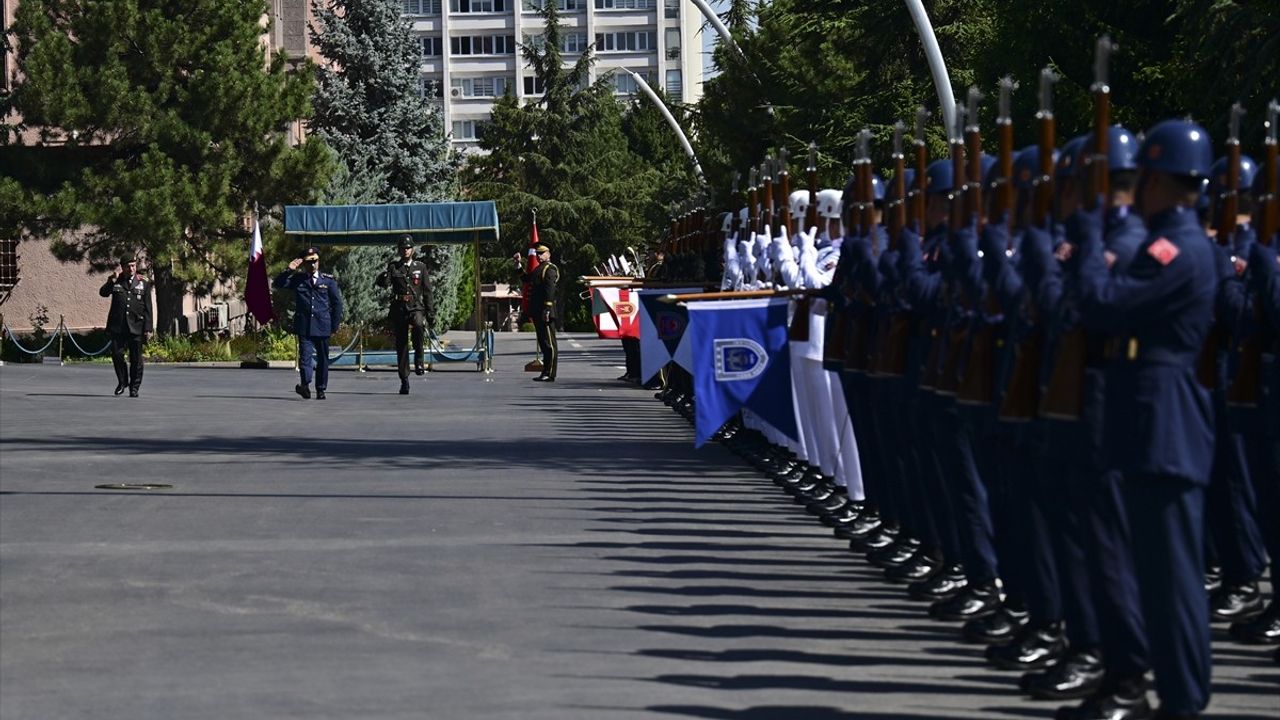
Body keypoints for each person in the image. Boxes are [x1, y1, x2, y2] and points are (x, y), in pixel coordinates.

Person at [274, 246, 344, 400]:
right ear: (304, 264)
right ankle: (305, 385)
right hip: (304, 325)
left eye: (315, 262)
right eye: (309, 262)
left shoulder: (328, 281)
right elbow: (278, 284)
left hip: (323, 325)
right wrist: (288, 270)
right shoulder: (298, 279)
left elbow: (337, 303)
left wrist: (334, 325)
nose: (312, 265)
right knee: (305, 357)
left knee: (323, 359)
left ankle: (321, 389)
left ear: (318, 262)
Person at [376, 235, 431, 395]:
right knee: (402, 345)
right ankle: (404, 379)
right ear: (399, 250)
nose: (405, 250)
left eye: (408, 248)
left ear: (412, 249)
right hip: (399, 308)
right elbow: (385, 284)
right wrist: (383, 278)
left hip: (415, 306)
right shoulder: (394, 267)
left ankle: (419, 361)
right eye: (403, 248)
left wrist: (430, 311)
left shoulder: (420, 267)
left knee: (419, 325)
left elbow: (427, 291)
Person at [98, 255, 153, 397]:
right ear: (122, 267)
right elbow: (103, 293)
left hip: (136, 326)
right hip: (118, 327)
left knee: (136, 359)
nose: (132, 269)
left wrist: (148, 328)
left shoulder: (143, 282)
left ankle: (134, 387)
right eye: (128, 266)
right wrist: (111, 280)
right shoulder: (116, 281)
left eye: (134, 265)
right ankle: (122, 382)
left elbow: (148, 308)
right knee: (117, 355)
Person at [515, 244, 558, 382]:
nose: (539, 256)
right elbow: (527, 279)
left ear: (548, 254)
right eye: (537, 254)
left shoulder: (549, 269)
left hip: (545, 311)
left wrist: (547, 309)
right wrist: (518, 265)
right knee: (543, 342)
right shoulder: (539, 269)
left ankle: (550, 372)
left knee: (549, 343)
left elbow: (549, 290)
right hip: (538, 310)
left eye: (542, 253)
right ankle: (545, 371)